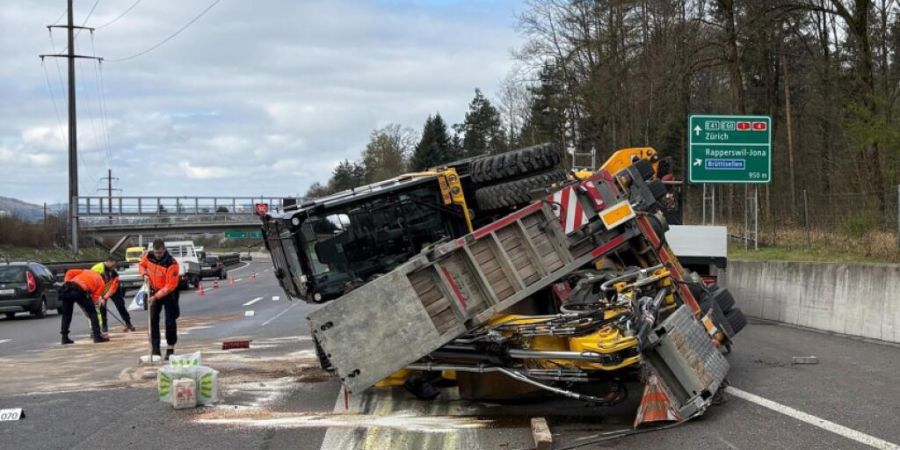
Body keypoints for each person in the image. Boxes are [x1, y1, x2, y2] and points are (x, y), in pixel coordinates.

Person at [139, 239, 180, 360]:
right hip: (153, 290)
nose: (158, 255)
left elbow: (170, 286)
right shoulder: (149, 256)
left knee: (170, 320)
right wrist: (144, 274)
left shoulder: (171, 263)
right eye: (156, 252)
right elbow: (141, 265)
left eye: (160, 253)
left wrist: (155, 297)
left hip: (169, 293)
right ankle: (155, 348)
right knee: (153, 320)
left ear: (164, 250)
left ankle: (170, 348)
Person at [59, 268, 110, 344]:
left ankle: (64, 338)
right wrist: (97, 303)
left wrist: (67, 282)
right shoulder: (101, 282)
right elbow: (94, 299)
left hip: (65, 289)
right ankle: (97, 336)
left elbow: (70, 272)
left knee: (66, 315)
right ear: (105, 280)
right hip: (79, 289)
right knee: (93, 313)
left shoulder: (87, 271)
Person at [91, 256, 136, 333]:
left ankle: (128, 323)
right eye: (114, 265)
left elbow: (113, 287)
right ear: (109, 261)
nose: (114, 267)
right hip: (100, 289)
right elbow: (92, 282)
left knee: (120, 305)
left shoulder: (114, 273)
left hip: (112, 289)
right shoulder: (97, 269)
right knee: (102, 308)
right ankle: (104, 327)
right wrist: (99, 297)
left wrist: (105, 297)